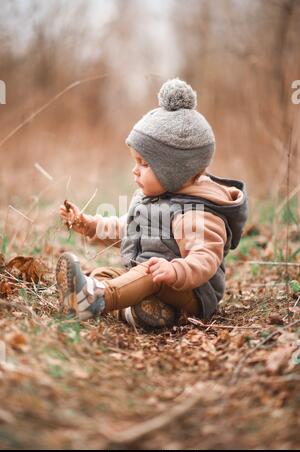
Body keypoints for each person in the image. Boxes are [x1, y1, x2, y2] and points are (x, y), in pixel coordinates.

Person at [56, 78, 248, 330]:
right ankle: (136, 310)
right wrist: (90, 225)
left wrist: (175, 271)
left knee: (148, 273)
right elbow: (126, 229)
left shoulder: (195, 212)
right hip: (151, 281)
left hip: (192, 293)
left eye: (145, 164)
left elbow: (205, 259)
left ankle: (95, 299)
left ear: (175, 171)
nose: (135, 171)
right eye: (135, 162)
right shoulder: (152, 198)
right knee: (106, 275)